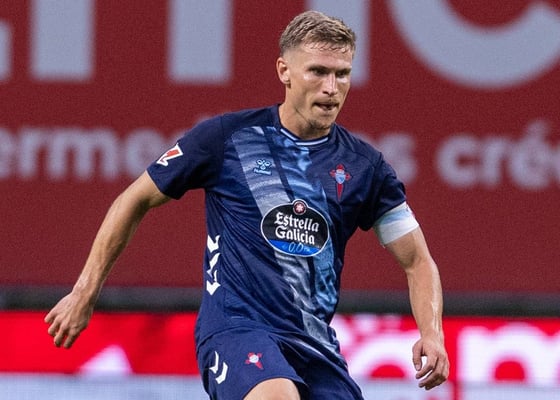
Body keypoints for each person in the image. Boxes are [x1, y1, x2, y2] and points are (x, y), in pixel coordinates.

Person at [45, 10, 449, 399]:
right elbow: (133, 200)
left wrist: (432, 333)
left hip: (314, 346)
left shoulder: (365, 167)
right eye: (318, 71)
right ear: (284, 71)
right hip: (235, 329)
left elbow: (417, 260)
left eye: (342, 74)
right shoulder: (226, 138)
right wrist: (83, 294)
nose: (331, 87)